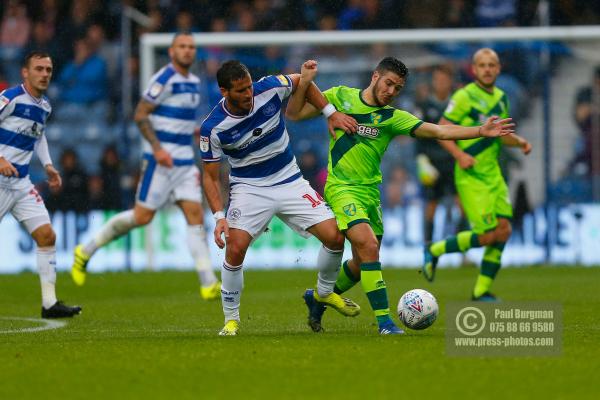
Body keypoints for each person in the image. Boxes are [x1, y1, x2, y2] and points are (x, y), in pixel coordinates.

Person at [285, 56, 514, 334]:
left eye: (398, 88)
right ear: (375, 76)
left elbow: (439, 130)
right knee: (368, 247)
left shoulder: (393, 118)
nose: (391, 92)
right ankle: (385, 322)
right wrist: (306, 81)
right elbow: (294, 114)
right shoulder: (339, 97)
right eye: (389, 83)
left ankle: (318, 298)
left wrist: (480, 130)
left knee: (360, 263)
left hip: (370, 192)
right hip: (341, 188)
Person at [200, 60, 360, 336]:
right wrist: (218, 217)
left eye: (249, 86)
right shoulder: (213, 128)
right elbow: (210, 176)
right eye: (240, 91)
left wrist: (329, 112)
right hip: (249, 188)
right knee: (235, 248)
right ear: (224, 92)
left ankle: (323, 293)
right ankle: (231, 319)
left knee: (335, 236)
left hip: (289, 180)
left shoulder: (269, 88)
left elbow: (302, 81)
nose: (248, 94)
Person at [71, 33, 221, 300]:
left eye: (191, 47)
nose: (187, 51)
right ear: (172, 52)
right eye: (182, 47)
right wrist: (157, 149)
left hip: (185, 162)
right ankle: (86, 250)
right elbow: (140, 114)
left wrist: (194, 131)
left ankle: (208, 282)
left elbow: (177, 121)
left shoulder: (194, 81)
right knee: (142, 217)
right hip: (160, 162)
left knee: (195, 214)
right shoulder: (164, 78)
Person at [422, 48, 532, 301]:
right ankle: (435, 249)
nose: (487, 69)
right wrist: (460, 155)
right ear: (474, 69)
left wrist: (521, 142)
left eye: (492, 65)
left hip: (494, 175)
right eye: (482, 65)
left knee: (503, 230)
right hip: (471, 176)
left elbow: (501, 135)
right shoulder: (464, 96)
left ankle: (481, 290)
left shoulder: (502, 98)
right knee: (486, 235)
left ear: (498, 68)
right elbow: (442, 129)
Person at [0, 51, 81, 318]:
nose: (45, 74)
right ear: (26, 72)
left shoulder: (45, 106)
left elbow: (39, 136)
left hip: (21, 183)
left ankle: (49, 304)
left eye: (48, 69)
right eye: (39, 69)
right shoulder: (10, 98)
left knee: (47, 235)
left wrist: (47, 165)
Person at [414, 65, 464, 243]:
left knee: (462, 205)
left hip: (453, 161)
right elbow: (416, 135)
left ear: (450, 82)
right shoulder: (424, 106)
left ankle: (462, 250)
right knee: (431, 205)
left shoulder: (458, 106)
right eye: (437, 79)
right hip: (432, 163)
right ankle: (428, 248)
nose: (440, 83)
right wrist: (421, 160)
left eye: (444, 80)